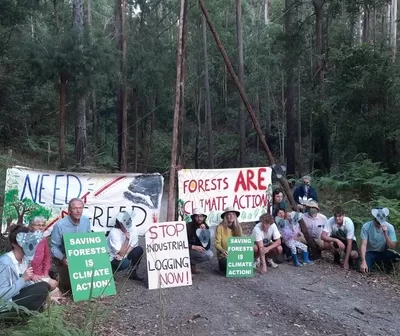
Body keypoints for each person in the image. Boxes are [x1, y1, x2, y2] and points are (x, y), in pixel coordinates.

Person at [0, 225, 50, 311]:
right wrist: (23, 279)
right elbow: (2, 295)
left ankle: (31, 312)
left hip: (17, 295)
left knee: (44, 286)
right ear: (14, 244)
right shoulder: (5, 263)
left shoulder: (25, 259)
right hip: (5, 304)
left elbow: (25, 285)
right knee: (41, 290)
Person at [51, 198, 91, 292]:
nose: (78, 211)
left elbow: (89, 239)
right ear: (69, 211)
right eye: (75, 208)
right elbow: (53, 247)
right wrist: (63, 258)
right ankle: (56, 274)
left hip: (82, 255)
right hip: (66, 258)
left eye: (80, 208)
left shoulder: (86, 221)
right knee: (69, 287)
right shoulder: (60, 226)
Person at [107, 211, 144, 281]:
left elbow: (133, 244)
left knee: (138, 250)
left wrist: (124, 255)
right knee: (124, 263)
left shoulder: (132, 227)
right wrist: (127, 240)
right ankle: (110, 272)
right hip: (113, 256)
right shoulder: (114, 233)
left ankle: (132, 273)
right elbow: (120, 252)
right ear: (120, 223)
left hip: (123, 253)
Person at [360, 207, 399, 273]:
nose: (380, 225)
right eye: (378, 223)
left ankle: (384, 266)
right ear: (374, 220)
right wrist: (363, 261)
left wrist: (385, 234)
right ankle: (365, 262)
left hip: (383, 251)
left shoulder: (389, 227)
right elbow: (363, 245)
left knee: (395, 258)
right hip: (370, 252)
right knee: (365, 270)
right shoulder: (366, 226)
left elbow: (392, 246)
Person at [215, 207, 243, 274]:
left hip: (235, 255)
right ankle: (222, 267)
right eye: (229, 214)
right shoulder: (220, 227)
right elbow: (217, 244)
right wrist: (222, 251)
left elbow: (241, 241)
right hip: (224, 256)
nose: (231, 216)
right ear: (226, 216)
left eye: (233, 214)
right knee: (230, 266)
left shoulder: (238, 227)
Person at [186, 208, 213, 274]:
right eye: (197, 216)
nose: (199, 218)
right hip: (186, 249)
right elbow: (180, 242)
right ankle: (186, 265)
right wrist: (193, 247)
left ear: (204, 217)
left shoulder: (205, 227)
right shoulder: (188, 226)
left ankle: (191, 263)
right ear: (193, 217)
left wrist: (204, 231)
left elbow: (207, 247)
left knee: (209, 254)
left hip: (196, 251)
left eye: (201, 216)